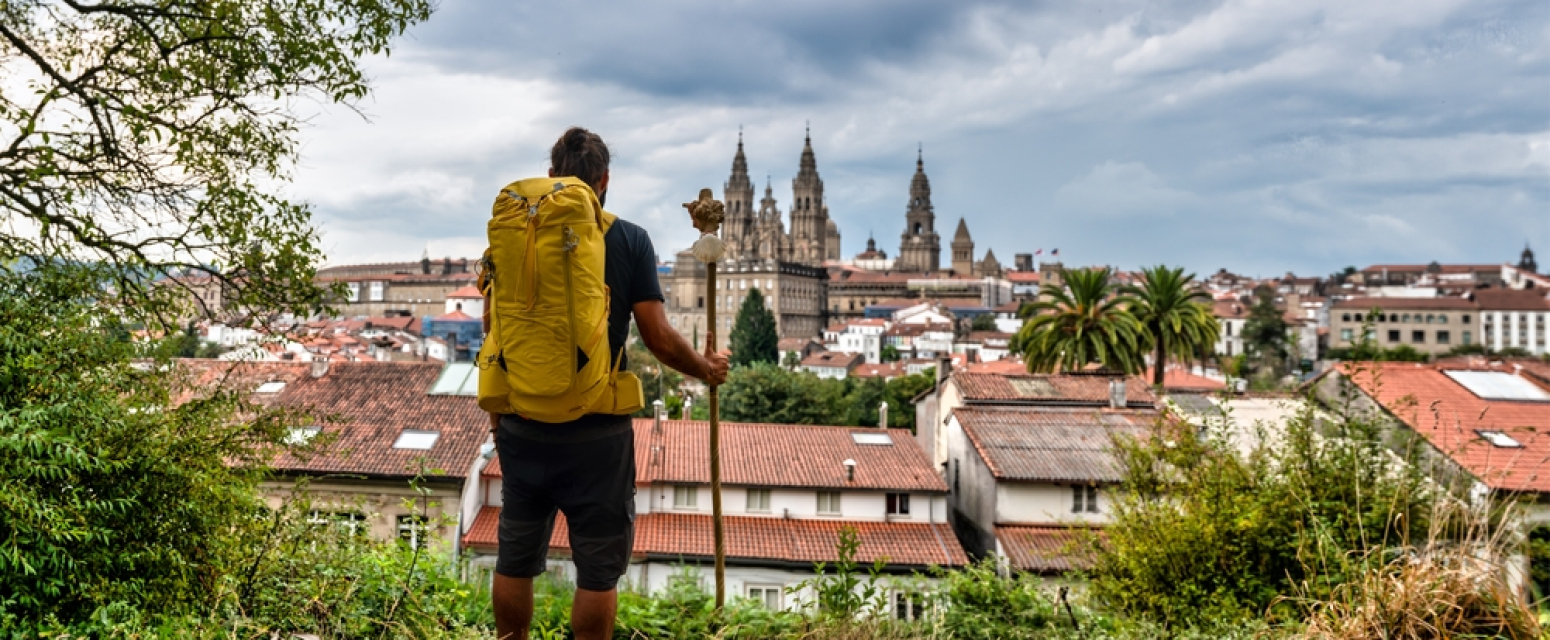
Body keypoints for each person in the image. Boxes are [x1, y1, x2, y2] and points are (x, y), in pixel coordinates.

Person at [488, 127, 730, 640]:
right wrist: (705, 369)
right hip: (598, 430)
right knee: (598, 570)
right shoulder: (629, 239)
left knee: (515, 557)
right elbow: (660, 339)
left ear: (551, 176)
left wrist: (500, 419)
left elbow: (495, 330)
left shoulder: (515, 231)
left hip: (523, 419)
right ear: (605, 181)